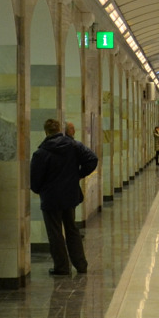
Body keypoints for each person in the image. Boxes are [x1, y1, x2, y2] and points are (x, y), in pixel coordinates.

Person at [30, 117, 98, 276]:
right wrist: (78, 175)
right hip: (70, 195)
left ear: (46, 131)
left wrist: (41, 189)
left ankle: (61, 267)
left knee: (55, 233)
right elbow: (92, 159)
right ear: (59, 130)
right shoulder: (73, 145)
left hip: (50, 198)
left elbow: (34, 181)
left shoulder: (41, 153)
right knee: (72, 229)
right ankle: (80, 264)